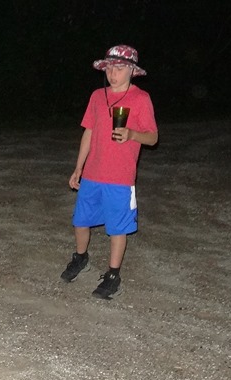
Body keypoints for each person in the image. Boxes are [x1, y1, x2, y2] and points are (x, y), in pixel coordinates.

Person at [60, 44, 158, 299]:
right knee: (80, 221)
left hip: (120, 177)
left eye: (120, 68)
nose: (113, 74)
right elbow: (89, 132)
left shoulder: (141, 99)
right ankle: (80, 257)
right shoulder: (97, 96)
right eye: (110, 68)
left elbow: (153, 137)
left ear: (132, 71)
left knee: (117, 228)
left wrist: (132, 134)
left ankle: (113, 275)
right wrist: (78, 167)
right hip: (92, 173)